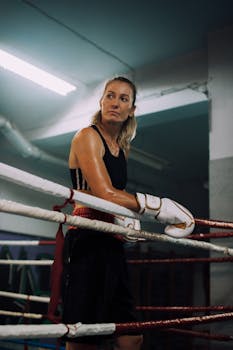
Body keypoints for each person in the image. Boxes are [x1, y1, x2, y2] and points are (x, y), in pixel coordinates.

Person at [62, 76, 195, 350]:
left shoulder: (121, 148)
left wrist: (125, 219)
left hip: (112, 239)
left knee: (131, 334)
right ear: (101, 101)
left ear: (131, 110)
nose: (115, 103)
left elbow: (116, 201)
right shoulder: (88, 136)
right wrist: (158, 207)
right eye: (110, 95)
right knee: (85, 336)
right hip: (87, 238)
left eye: (124, 98)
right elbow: (105, 193)